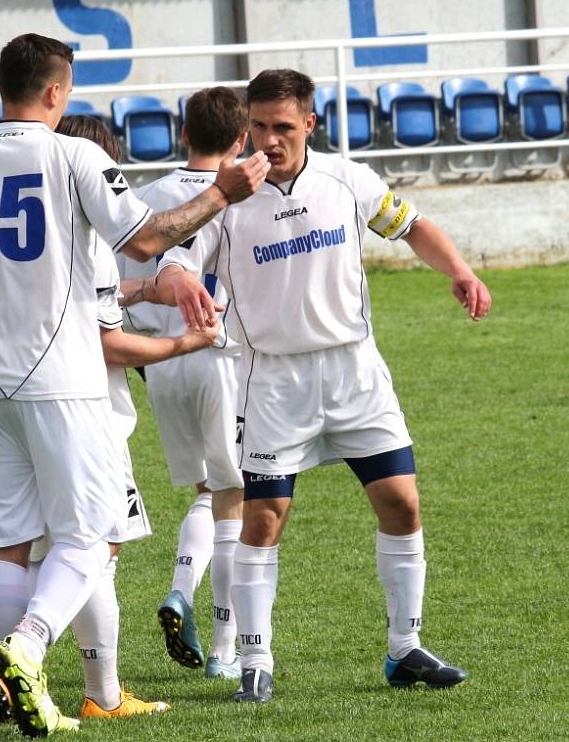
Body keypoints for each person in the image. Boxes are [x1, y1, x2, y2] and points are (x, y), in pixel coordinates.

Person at [0, 33, 268, 737]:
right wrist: (223, 190)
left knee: (5, 542)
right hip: (63, 377)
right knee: (93, 536)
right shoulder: (74, 156)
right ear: (57, 93)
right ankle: (28, 650)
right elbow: (148, 238)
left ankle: (16, 689)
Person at [156, 68, 492, 703]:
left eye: (283, 127)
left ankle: (405, 649)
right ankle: (256, 663)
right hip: (274, 381)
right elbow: (174, 257)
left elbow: (413, 224)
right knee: (264, 517)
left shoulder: (347, 179)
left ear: (310, 124)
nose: (269, 140)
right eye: (257, 127)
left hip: (354, 371)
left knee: (402, 503)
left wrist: (460, 271)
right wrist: (180, 283)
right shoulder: (225, 195)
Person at [0, 114, 226, 723]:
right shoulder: (92, 239)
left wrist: (149, 290)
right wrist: (184, 345)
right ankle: (96, 691)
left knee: (29, 548)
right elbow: (106, 342)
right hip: (88, 414)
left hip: (1, 396)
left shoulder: (26, 230)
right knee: (96, 548)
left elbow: (91, 300)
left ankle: (13, 669)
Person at [117, 87, 249, 680]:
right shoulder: (250, 197)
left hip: (163, 361)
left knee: (204, 490)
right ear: (242, 141)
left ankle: (181, 594)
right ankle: (223, 648)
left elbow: (120, 287)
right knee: (233, 498)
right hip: (224, 357)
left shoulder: (149, 200)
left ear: (184, 134)